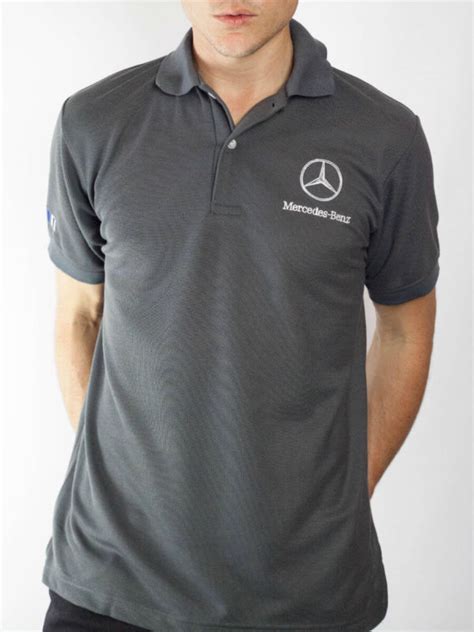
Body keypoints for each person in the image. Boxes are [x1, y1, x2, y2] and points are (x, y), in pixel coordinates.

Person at [41, 1, 440, 631]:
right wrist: (121, 479)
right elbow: (79, 316)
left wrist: (344, 490)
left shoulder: (386, 137)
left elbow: (403, 331)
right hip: (108, 584)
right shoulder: (92, 121)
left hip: (305, 594)